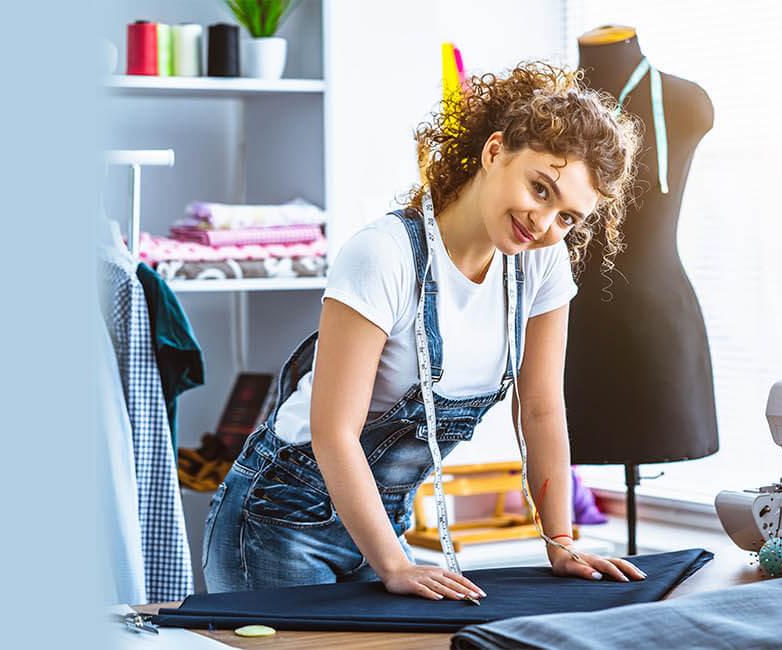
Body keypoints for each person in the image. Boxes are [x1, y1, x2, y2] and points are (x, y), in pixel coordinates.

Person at [202, 61, 647, 601]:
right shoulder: (384, 255)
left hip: (381, 522)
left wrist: (561, 542)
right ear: (494, 152)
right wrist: (393, 565)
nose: (543, 222)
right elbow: (333, 431)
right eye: (540, 189)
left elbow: (541, 410)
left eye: (568, 217)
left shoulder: (540, 263)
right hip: (279, 518)